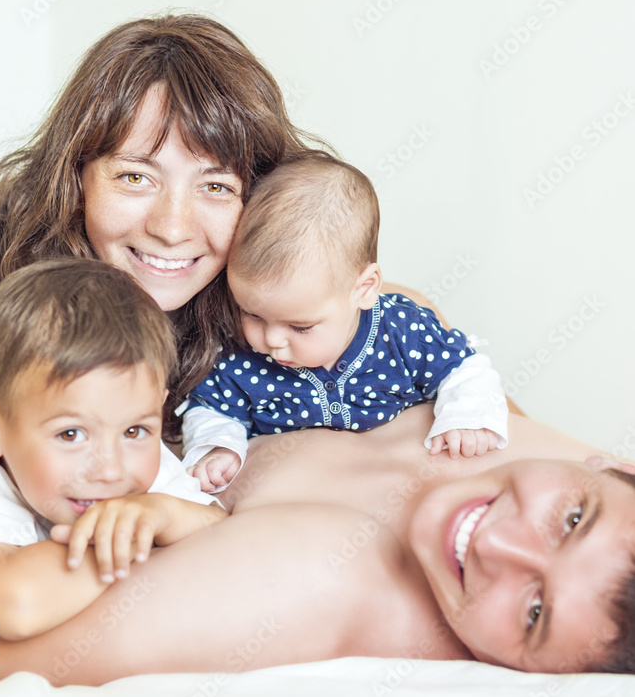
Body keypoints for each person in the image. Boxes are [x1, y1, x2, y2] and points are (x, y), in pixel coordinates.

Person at [0, 405, 634, 683]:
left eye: (534, 613)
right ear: (609, 466)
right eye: (572, 520)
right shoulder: (488, 415)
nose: (498, 546)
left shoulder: (328, 575)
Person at [0, 13, 325, 437]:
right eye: (135, 177)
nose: (171, 230)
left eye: (216, 187)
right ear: (74, 179)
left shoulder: (304, 313)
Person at [179, 152, 509, 493]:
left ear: (363, 289)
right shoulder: (239, 357)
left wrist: (466, 418)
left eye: (300, 326)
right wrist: (217, 448)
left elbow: (462, 369)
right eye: (253, 314)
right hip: (305, 493)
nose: (272, 339)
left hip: (400, 483)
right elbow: (214, 409)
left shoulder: (402, 330)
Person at [0, 259, 225, 640]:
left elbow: (222, 531)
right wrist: (127, 539)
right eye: (71, 435)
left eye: (135, 429)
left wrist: (163, 514)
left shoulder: (135, 458)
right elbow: (15, 607)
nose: (110, 469)